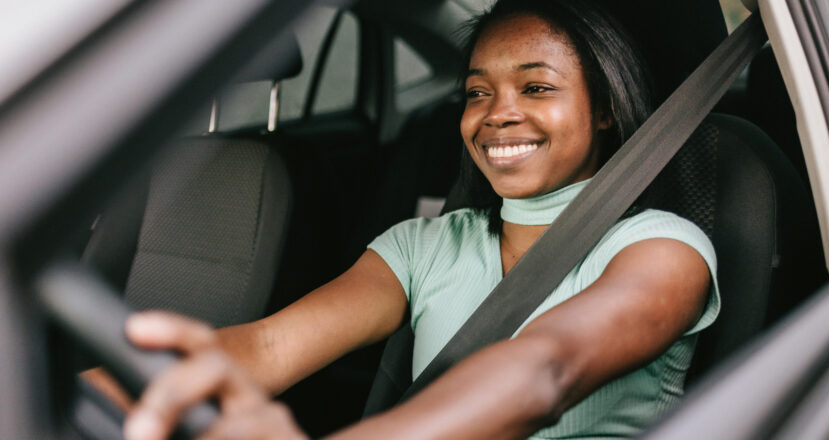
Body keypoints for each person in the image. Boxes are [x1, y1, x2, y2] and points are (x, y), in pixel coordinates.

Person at [116, 0, 720, 438]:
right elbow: (269, 346)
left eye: (536, 89)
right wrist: (93, 390)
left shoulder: (664, 249)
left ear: (607, 109)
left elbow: (546, 371)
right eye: (478, 92)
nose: (497, 115)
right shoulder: (421, 245)